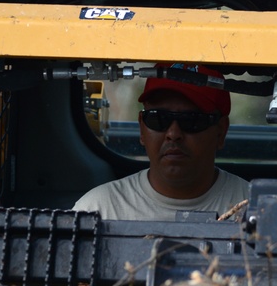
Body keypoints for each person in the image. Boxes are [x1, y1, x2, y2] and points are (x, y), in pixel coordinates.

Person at [73, 64, 250, 220]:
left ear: (221, 131)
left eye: (191, 120)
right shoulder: (97, 211)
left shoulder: (256, 210)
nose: (173, 134)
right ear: (142, 128)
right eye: (159, 119)